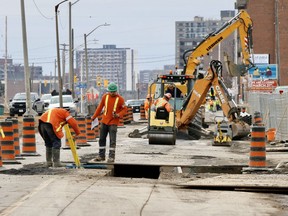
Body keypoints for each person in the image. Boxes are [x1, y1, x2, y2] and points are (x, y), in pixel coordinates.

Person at [91, 82, 127, 163]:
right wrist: (94, 116)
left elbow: (125, 110)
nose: (112, 93)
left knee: (112, 140)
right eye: (111, 92)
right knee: (101, 139)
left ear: (116, 91)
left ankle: (111, 157)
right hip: (104, 121)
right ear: (108, 91)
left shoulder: (120, 99)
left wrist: (118, 115)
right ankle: (101, 156)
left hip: (113, 122)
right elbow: (100, 107)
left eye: (114, 92)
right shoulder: (105, 97)